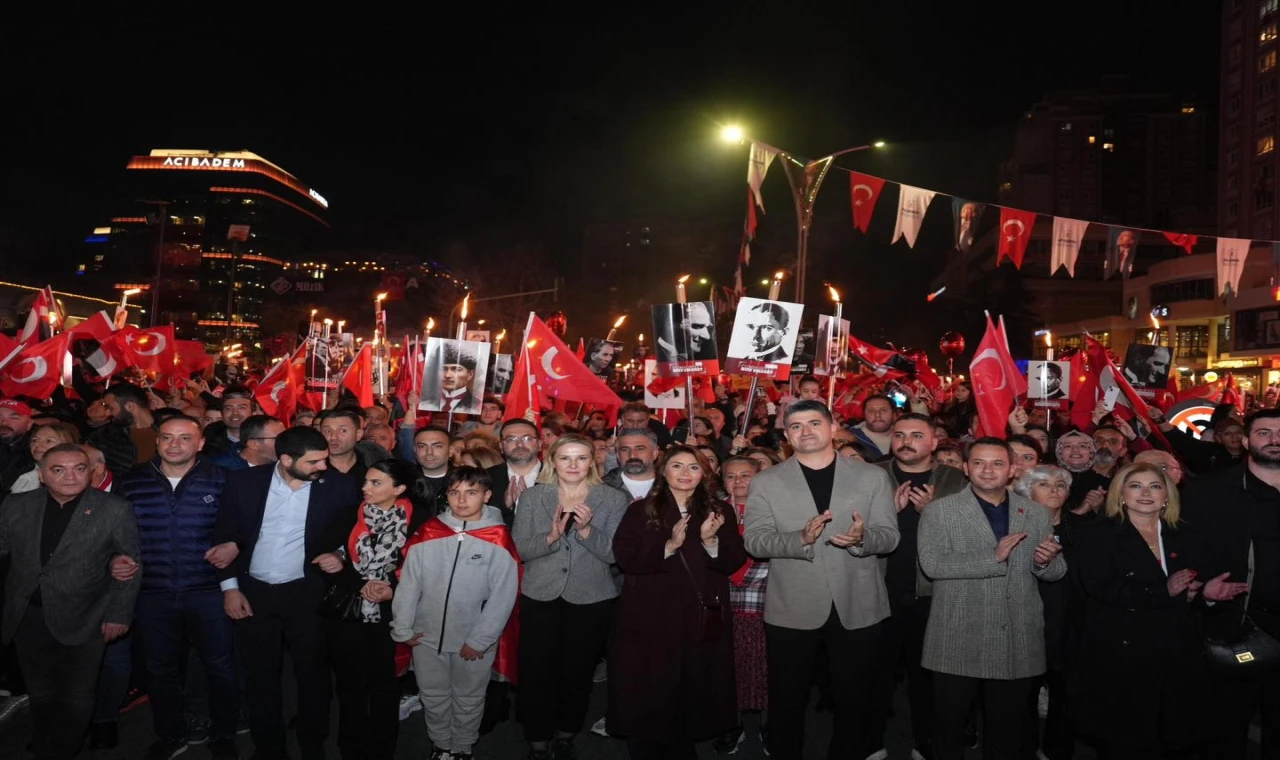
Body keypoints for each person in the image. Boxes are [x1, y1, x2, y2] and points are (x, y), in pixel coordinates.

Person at [743, 400, 900, 760]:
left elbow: (890, 537)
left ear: (833, 427)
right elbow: (755, 540)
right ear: (786, 436)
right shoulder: (767, 481)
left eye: (814, 422)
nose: (806, 431)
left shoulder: (871, 476)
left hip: (859, 603)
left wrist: (863, 538)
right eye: (796, 426)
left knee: (855, 697)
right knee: (787, 699)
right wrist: (800, 539)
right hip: (792, 606)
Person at [211, 426, 361, 760]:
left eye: (325, 459)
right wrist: (230, 589)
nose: (324, 467)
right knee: (260, 675)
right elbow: (224, 534)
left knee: (313, 675)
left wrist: (339, 554)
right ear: (286, 459)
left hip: (307, 595)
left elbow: (353, 530)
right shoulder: (245, 483)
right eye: (315, 462)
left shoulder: (338, 485)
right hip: (254, 595)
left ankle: (312, 745)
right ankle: (269, 747)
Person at [1070, 462, 1235, 759]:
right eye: (1136, 486)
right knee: (1126, 741)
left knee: (1175, 737)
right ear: (1120, 494)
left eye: (1155, 486)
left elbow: (1193, 589)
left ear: (1167, 496)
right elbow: (1099, 588)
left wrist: (1207, 595)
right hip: (1122, 653)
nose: (1146, 493)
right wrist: (1164, 591)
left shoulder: (1187, 534)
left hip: (1177, 653)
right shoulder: (1096, 534)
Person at [917, 437, 1066, 760]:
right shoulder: (940, 512)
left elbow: (1055, 572)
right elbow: (933, 565)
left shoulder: (1036, 513)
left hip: (1016, 634)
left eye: (997, 463)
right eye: (979, 463)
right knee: (949, 731)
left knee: (1007, 733)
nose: (988, 470)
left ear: (1012, 470)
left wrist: (1045, 562)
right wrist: (993, 557)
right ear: (967, 469)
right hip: (957, 632)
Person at [0, 443, 141, 760]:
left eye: (79, 468)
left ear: (91, 472)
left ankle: (61, 750)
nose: (70, 476)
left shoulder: (114, 508)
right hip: (28, 616)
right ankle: (46, 739)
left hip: (87, 616)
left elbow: (130, 565)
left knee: (77, 694)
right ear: (41, 475)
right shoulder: (16, 504)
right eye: (58, 469)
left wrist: (119, 615)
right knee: (40, 692)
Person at [610, 445, 748, 759]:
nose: (685, 474)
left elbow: (733, 560)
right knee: (650, 685)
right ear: (664, 470)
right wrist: (668, 546)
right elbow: (625, 558)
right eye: (677, 466)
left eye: (693, 467)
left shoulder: (719, 511)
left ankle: (684, 745)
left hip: (699, 612)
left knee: (694, 682)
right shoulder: (641, 510)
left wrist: (711, 541)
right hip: (650, 613)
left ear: (704, 473)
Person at [116, 415, 240, 760]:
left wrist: (236, 544)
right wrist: (115, 557)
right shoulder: (132, 481)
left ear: (200, 443)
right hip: (151, 592)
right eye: (167, 438)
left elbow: (244, 528)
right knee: (158, 669)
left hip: (207, 591)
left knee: (220, 665)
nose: (174, 445)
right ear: (156, 442)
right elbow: (114, 532)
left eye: (185, 438)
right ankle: (171, 734)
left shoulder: (224, 480)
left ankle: (224, 732)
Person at [512, 435, 631, 759]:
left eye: (581, 458)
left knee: (577, 673)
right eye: (565, 458)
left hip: (591, 598)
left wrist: (587, 531)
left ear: (593, 461)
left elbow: (614, 556)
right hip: (541, 596)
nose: (573, 465)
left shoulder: (613, 499)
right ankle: (537, 741)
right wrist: (550, 536)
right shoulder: (534, 497)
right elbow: (520, 549)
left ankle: (566, 734)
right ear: (553, 461)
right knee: (536, 672)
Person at [392, 466, 520, 760]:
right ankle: (440, 745)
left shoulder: (497, 538)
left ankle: (462, 747)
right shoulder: (429, 533)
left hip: (473, 640)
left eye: (471, 493)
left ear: (487, 496)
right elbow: (409, 585)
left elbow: (503, 596)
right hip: (426, 636)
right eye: (454, 492)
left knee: (469, 698)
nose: (462, 500)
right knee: (433, 696)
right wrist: (403, 628)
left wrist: (481, 639)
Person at [314, 458, 435, 760]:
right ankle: (351, 747)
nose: (365, 487)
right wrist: (360, 584)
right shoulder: (347, 515)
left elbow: (427, 569)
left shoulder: (421, 520)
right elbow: (321, 560)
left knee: (385, 684)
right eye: (366, 481)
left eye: (375, 482)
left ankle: (384, 748)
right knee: (350, 684)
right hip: (350, 612)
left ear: (400, 489)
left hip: (395, 612)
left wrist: (392, 590)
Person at [1181, 408, 1280, 757]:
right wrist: (1203, 590)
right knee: (1226, 729)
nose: (1275, 440)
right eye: (1265, 433)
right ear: (1245, 440)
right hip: (1235, 628)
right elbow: (1184, 551)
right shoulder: (1209, 490)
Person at [869, 413, 967, 759]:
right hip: (879, 592)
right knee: (875, 675)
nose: (905, 441)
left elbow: (970, 538)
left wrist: (933, 513)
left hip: (933, 594)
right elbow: (854, 530)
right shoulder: (872, 475)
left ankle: (925, 741)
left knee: (928, 678)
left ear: (933, 442)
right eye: (899, 434)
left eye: (915, 435)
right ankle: (871, 742)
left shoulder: (955, 480)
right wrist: (888, 514)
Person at [211, 414, 283, 471]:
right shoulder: (219, 469)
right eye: (278, 438)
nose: (284, 442)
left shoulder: (285, 466)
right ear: (254, 444)